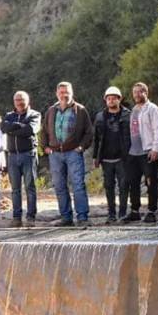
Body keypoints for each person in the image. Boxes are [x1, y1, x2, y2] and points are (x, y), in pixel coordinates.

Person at [40, 81, 94, 227]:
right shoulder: (51, 110)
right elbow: (44, 131)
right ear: (57, 93)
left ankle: (82, 217)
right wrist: (45, 147)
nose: (64, 95)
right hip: (55, 154)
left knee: (78, 184)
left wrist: (82, 147)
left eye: (67, 92)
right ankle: (66, 217)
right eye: (61, 92)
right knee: (59, 186)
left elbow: (89, 132)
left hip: (73, 153)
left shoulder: (80, 110)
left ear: (72, 93)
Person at [122, 82, 158, 224]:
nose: (137, 95)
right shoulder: (133, 110)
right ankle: (135, 211)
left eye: (140, 92)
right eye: (134, 92)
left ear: (146, 93)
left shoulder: (152, 109)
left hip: (147, 151)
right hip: (133, 152)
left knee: (151, 182)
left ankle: (152, 211)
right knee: (132, 182)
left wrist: (155, 149)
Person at [1, 91, 41, 228]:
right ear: (14, 102)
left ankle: (31, 217)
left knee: (30, 187)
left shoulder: (35, 115)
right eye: (17, 99)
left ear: (28, 100)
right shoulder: (8, 116)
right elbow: (3, 127)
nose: (19, 102)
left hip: (28, 155)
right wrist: (20, 126)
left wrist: (13, 128)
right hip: (12, 156)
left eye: (22, 99)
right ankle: (16, 217)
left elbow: (30, 130)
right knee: (15, 189)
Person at [93, 86, 131, 224]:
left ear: (119, 99)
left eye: (114, 98)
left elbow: (132, 136)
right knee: (108, 186)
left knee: (124, 186)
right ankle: (111, 214)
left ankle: (122, 213)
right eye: (109, 98)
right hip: (106, 158)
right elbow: (96, 138)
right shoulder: (99, 117)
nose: (111, 101)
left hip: (123, 157)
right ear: (105, 100)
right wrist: (95, 157)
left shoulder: (128, 115)